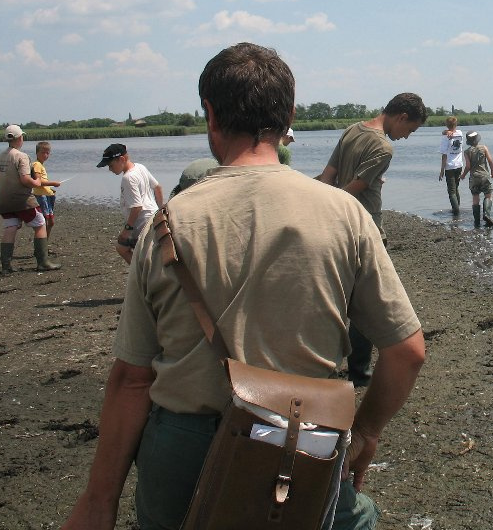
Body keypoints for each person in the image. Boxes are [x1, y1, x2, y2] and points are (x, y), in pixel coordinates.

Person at [62, 43, 425, 530]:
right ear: (289, 115)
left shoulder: (167, 224)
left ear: (210, 114)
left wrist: (98, 502)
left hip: (184, 443)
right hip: (304, 437)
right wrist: (366, 432)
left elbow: (132, 380)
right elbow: (407, 353)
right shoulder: (345, 217)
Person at [316, 92, 428, 386]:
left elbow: (328, 176)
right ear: (401, 117)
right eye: (410, 130)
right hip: (365, 228)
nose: (406, 137)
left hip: (336, 226)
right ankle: (360, 373)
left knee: (337, 299)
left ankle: (325, 365)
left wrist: (310, 203)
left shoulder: (353, 129)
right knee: (366, 306)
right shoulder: (383, 147)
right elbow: (351, 190)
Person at [0, 125, 61, 272]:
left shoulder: (0, 157)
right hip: (22, 200)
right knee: (41, 223)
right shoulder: (21, 156)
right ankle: (43, 262)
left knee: (10, 227)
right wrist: (36, 182)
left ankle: (6, 266)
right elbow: (25, 179)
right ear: (19, 138)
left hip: (4, 200)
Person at [96, 144, 164, 264]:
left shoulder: (128, 178)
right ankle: (141, 273)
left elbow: (137, 207)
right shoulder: (140, 167)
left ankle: (139, 275)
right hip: (153, 218)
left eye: (111, 165)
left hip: (142, 224)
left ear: (121, 159)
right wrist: (161, 210)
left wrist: (127, 229)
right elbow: (157, 187)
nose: (109, 169)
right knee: (143, 253)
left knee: (122, 247)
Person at [460, 131, 493, 228]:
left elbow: (468, 166)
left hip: (474, 177)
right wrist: (492, 172)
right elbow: (490, 161)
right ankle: (486, 214)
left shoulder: (467, 152)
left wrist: (463, 175)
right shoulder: (484, 148)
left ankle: (477, 222)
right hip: (484, 176)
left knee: (475, 198)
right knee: (488, 196)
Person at [31, 141, 62, 237]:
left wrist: (50, 189)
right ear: (37, 153)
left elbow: (43, 182)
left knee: (51, 222)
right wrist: (53, 183)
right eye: (43, 152)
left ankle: (45, 243)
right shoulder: (36, 165)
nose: (45, 155)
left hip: (47, 195)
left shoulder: (41, 165)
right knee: (44, 222)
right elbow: (38, 182)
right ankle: (42, 245)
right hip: (41, 196)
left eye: (47, 153)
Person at [438, 116, 464, 216]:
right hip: (459, 165)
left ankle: (456, 211)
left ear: (446, 125)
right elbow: (444, 131)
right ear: (456, 125)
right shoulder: (460, 134)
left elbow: (444, 156)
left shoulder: (445, 138)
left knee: (451, 191)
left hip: (450, 166)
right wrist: (445, 131)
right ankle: (458, 208)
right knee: (456, 188)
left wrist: (441, 171)